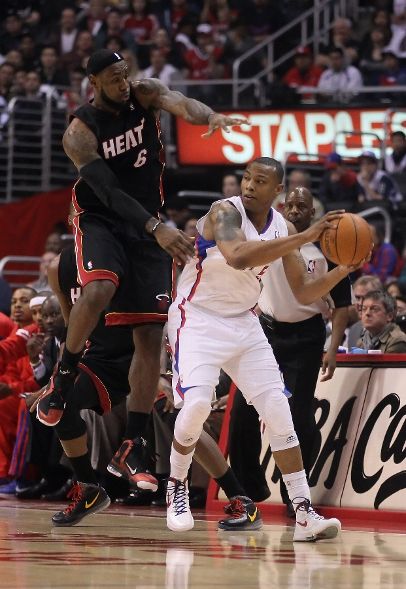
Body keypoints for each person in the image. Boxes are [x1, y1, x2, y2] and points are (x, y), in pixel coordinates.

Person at [36, 48, 247, 494]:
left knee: (151, 333)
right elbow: (109, 193)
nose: (124, 82)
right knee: (98, 289)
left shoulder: (144, 94)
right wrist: (157, 228)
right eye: (114, 77)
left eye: (125, 73)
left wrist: (210, 116)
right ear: (93, 82)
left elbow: (181, 102)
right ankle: (64, 373)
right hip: (103, 219)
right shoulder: (79, 132)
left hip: (149, 223)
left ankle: (131, 440)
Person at [165, 156, 363, 539]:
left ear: (277, 191)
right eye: (246, 178)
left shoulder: (282, 226)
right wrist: (307, 237)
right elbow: (238, 257)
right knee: (197, 405)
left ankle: (304, 514)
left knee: (278, 409)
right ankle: (177, 486)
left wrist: (344, 268)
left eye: (260, 181)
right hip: (198, 318)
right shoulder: (224, 211)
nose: (250, 185)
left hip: (244, 322)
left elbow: (303, 290)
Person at [30, 245, 262, 530]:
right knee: (61, 406)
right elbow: (72, 329)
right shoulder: (60, 267)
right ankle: (89, 490)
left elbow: (162, 316)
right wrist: (59, 381)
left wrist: (162, 373)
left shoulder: (132, 253)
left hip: (149, 350)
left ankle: (241, 500)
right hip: (103, 358)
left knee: (185, 423)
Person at [258, 187, 351, 517]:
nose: (294, 210)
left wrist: (334, 346)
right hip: (267, 332)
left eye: (302, 206)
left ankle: (295, 491)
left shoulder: (330, 249)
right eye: (290, 205)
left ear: (313, 214)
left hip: (307, 336)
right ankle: (247, 485)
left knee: (297, 414)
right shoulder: (270, 241)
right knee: (245, 410)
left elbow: (342, 306)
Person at [346, 274, 383, 350]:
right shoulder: (353, 329)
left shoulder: (387, 330)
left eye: (366, 298)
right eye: (357, 298)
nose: (360, 303)